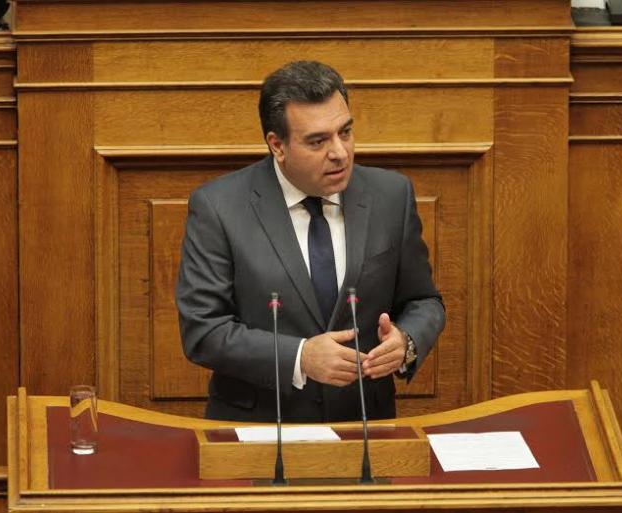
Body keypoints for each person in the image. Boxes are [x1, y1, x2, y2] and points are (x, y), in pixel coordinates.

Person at [176, 60, 445, 423]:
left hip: (364, 425)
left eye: (345, 132)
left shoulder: (391, 196)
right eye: (318, 141)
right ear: (278, 145)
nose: (340, 152)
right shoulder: (219, 207)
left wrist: (406, 341)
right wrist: (300, 357)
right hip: (259, 429)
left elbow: (423, 301)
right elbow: (203, 330)